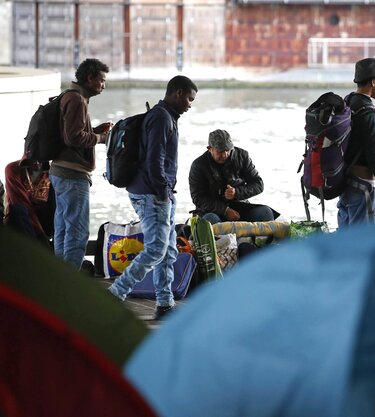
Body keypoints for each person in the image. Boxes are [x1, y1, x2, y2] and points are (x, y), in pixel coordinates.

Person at [108, 75, 198, 320]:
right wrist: (162, 191)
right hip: (153, 194)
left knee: (167, 251)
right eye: (189, 99)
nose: (190, 104)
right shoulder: (161, 118)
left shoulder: (165, 116)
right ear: (178, 93)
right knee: (157, 249)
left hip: (158, 192)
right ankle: (116, 293)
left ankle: (164, 303)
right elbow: (155, 160)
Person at [49, 58, 112, 269]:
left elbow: (71, 135)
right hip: (72, 174)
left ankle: (59, 278)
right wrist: (101, 139)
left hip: (59, 171)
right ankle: (70, 285)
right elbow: (74, 138)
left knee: (63, 228)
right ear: (90, 78)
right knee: (78, 232)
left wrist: (94, 131)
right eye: (101, 80)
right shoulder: (76, 100)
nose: (103, 85)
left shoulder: (69, 96)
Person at [338, 57, 375, 228]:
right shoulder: (369, 112)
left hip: (344, 182)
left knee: (345, 237)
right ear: (372, 82)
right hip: (363, 185)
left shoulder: (347, 103)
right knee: (362, 240)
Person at [188, 129, 278, 224]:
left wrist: (237, 193)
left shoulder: (243, 156)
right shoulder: (198, 165)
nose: (225, 155)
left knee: (266, 212)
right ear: (210, 149)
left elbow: (258, 184)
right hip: (212, 210)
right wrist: (225, 210)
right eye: (220, 151)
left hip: (239, 206)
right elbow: (198, 198)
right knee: (210, 221)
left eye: (228, 150)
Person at [3, 159, 55, 245]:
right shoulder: (13, 169)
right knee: (19, 209)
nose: (37, 162)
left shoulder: (52, 172)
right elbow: (22, 206)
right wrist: (41, 238)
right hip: (21, 221)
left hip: (44, 223)